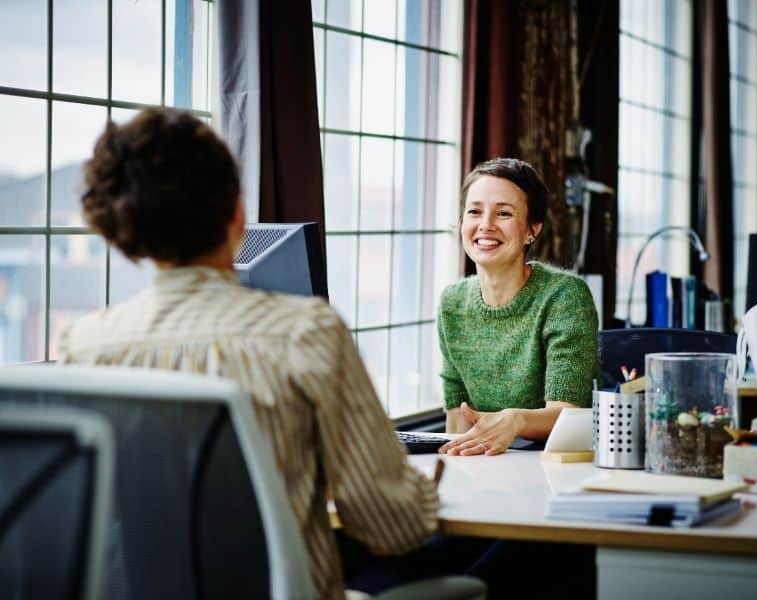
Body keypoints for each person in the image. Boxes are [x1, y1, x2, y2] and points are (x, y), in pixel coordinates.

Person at [58, 108, 439, 599]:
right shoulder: (306, 332)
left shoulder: (85, 346)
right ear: (237, 215)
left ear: (124, 232)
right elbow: (392, 527)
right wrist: (425, 490)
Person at [438, 157, 598, 456]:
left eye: (503, 213)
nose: (485, 225)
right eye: (474, 211)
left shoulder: (565, 297)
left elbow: (569, 415)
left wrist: (516, 419)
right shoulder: (452, 303)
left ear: (531, 230)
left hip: (552, 466)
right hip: (486, 466)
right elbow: (457, 421)